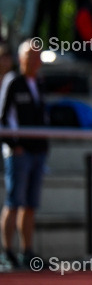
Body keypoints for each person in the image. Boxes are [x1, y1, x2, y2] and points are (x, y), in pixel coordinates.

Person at [0, 40, 49, 271]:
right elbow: (2, 118)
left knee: (30, 204)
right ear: (21, 59)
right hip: (19, 153)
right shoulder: (13, 82)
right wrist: (13, 144)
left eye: (38, 55)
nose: (35, 60)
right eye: (30, 55)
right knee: (13, 202)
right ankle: (7, 251)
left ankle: (27, 251)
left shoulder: (38, 83)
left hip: (38, 152)